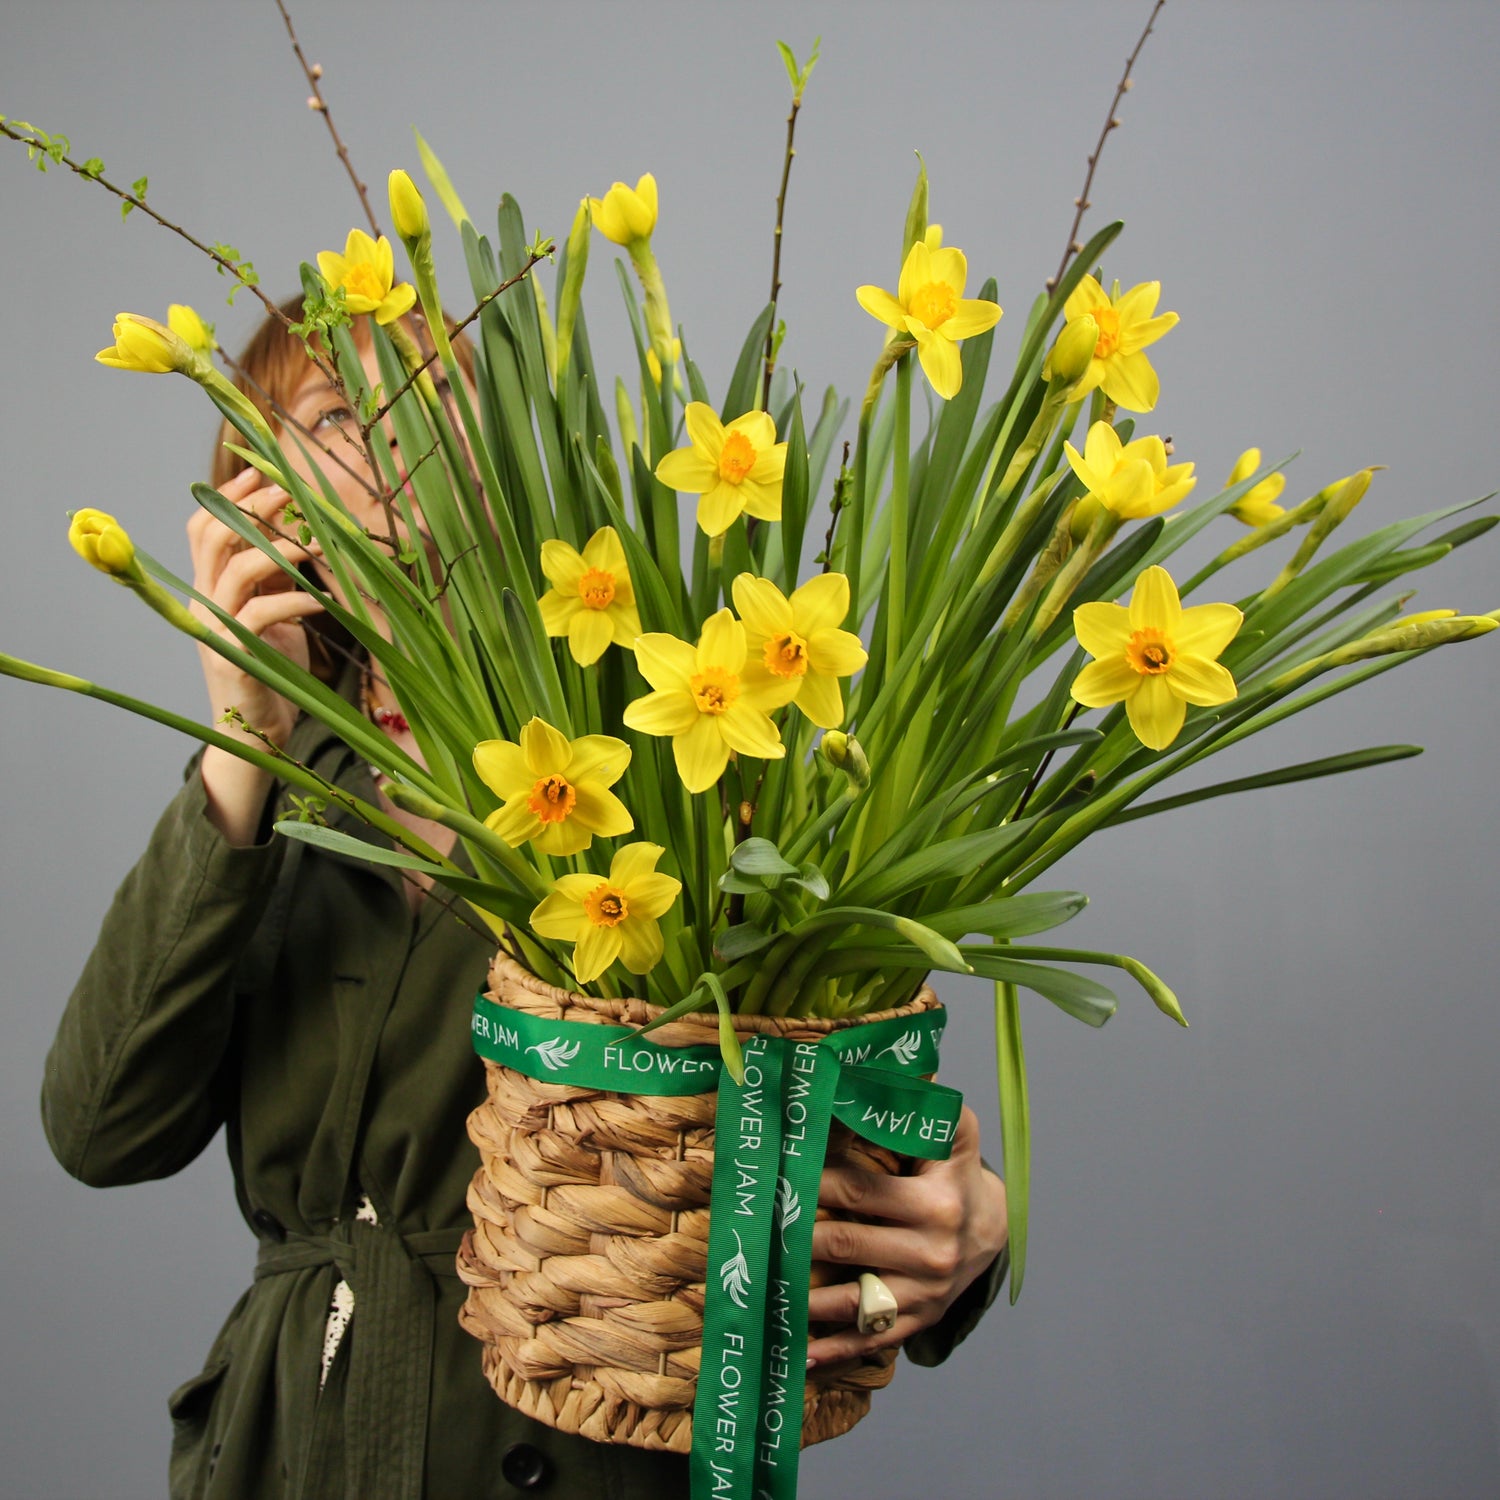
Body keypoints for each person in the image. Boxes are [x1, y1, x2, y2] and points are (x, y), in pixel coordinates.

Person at [40, 296, 1010, 1500]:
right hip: (295, 1456)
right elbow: (100, 1130)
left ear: (512, 466)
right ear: (254, 486)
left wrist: (961, 1213)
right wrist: (243, 741)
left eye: (436, 408)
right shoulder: (276, 805)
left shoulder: (664, 758)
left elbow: (823, 1067)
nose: (394, 445)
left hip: (590, 1444)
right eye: (340, 412)